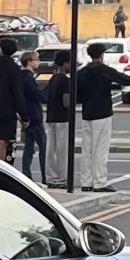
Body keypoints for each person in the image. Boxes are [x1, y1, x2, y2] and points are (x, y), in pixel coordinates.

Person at [78, 42, 130, 192]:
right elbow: (123, 79)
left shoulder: (83, 71)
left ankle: (86, 182)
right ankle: (99, 182)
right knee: (100, 149)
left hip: (86, 112)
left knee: (87, 149)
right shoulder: (104, 70)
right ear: (102, 54)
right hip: (102, 112)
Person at [44, 52, 72, 189]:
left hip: (51, 117)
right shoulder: (66, 81)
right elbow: (66, 102)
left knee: (51, 149)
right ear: (65, 63)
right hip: (62, 118)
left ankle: (51, 176)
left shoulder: (54, 78)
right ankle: (62, 178)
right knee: (62, 150)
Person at [18, 51, 47, 183]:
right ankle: (44, 176)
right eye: (36, 60)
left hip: (25, 117)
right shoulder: (29, 78)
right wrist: (43, 92)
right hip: (34, 116)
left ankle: (26, 173)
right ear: (28, 61)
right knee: (43, 147)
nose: (38, 62)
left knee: (28, 148)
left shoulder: (20, 77)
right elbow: (37, 96)